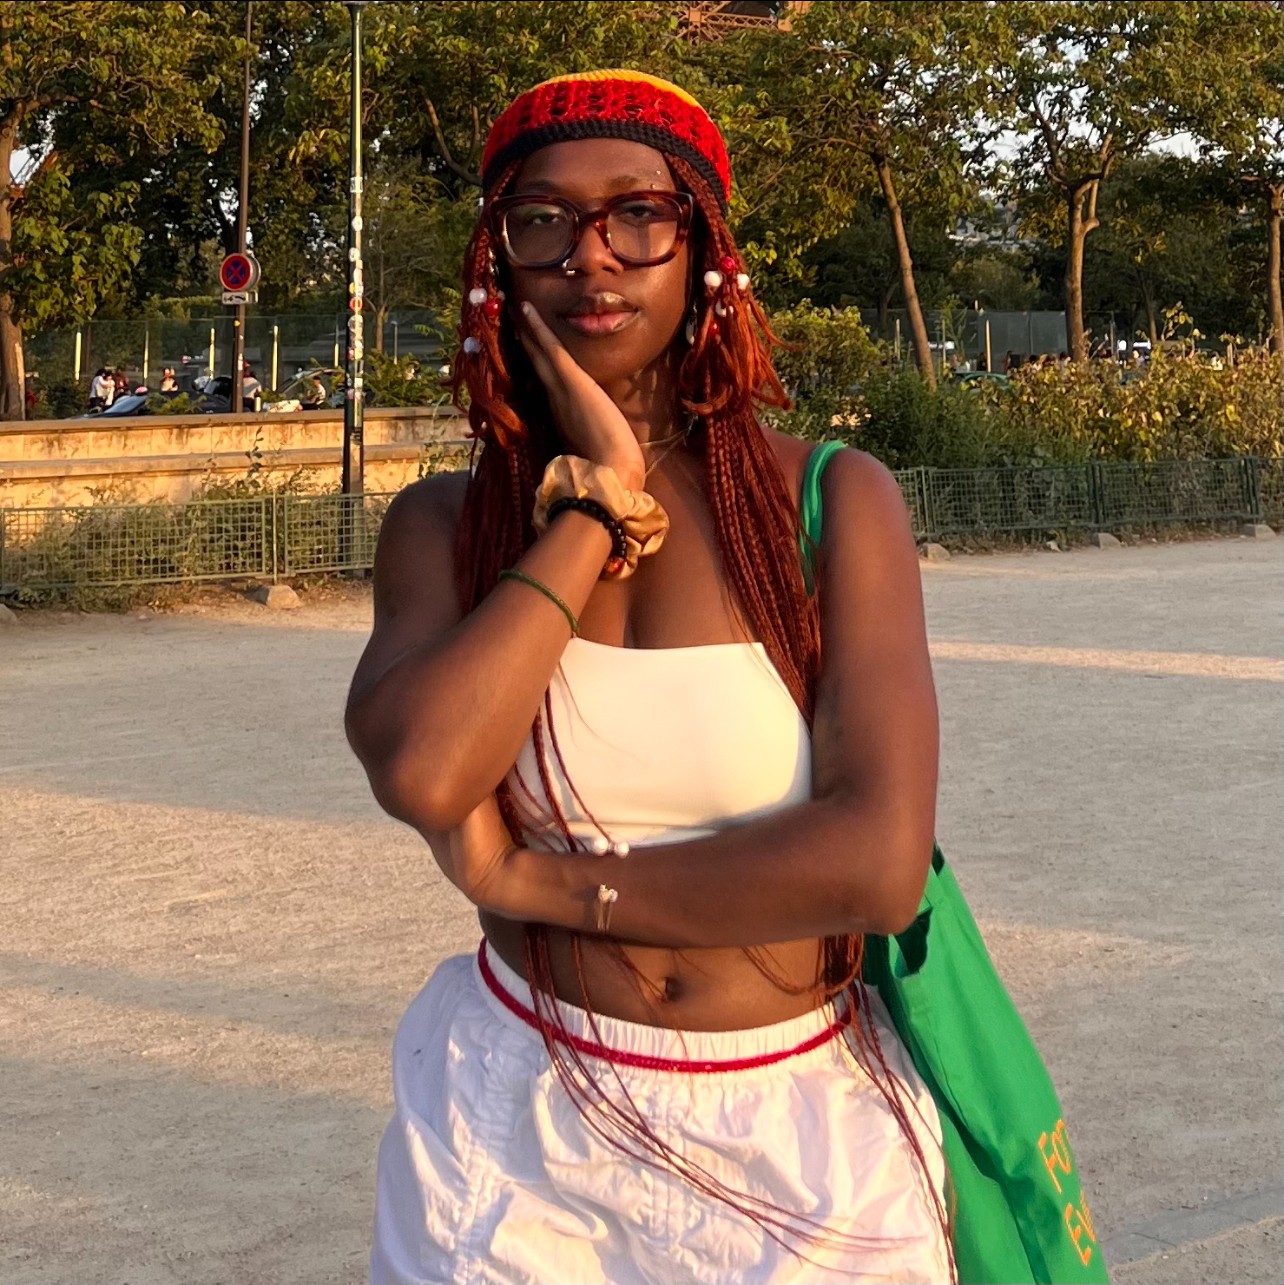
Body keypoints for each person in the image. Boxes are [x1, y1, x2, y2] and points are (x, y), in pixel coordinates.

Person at [346, 70, 950, 1285]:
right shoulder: (446, 526)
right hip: (521, 1119)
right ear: (497, 263)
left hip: (800, 1125)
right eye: (542, 223)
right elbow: (424, 768)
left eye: (638, 215)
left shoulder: (830, 501)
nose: (592, 257)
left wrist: (533, 881)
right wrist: (593, 500)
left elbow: (876, 866)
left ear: (706, 252)